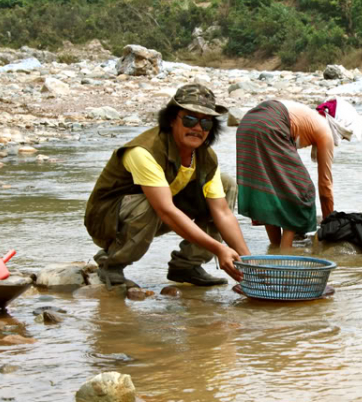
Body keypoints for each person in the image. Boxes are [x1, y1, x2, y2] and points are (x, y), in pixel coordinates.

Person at [84, 83, 250, 287]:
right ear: (172, 119)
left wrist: (248, 262)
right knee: (150, 205)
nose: (197, 128)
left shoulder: (205, 157)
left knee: (226, 185)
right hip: (107, 221)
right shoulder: (144, 151)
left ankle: (186, 266)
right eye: (190, 119)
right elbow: (165, 211)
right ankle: (111, 266)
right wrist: (219, 249)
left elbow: (222, 213)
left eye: (206, 123)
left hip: (157, 212)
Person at [235, 98, 362, 249]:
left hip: (247, 123)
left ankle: (275, 247)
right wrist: (330, 225)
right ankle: (286, 251)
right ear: (339, 123)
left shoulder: (308, 116)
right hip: (271, 123)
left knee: (268, 189)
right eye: (343, 136)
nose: (340, 139)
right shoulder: (324, 130)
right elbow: (325, 185)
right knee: (303, 189)